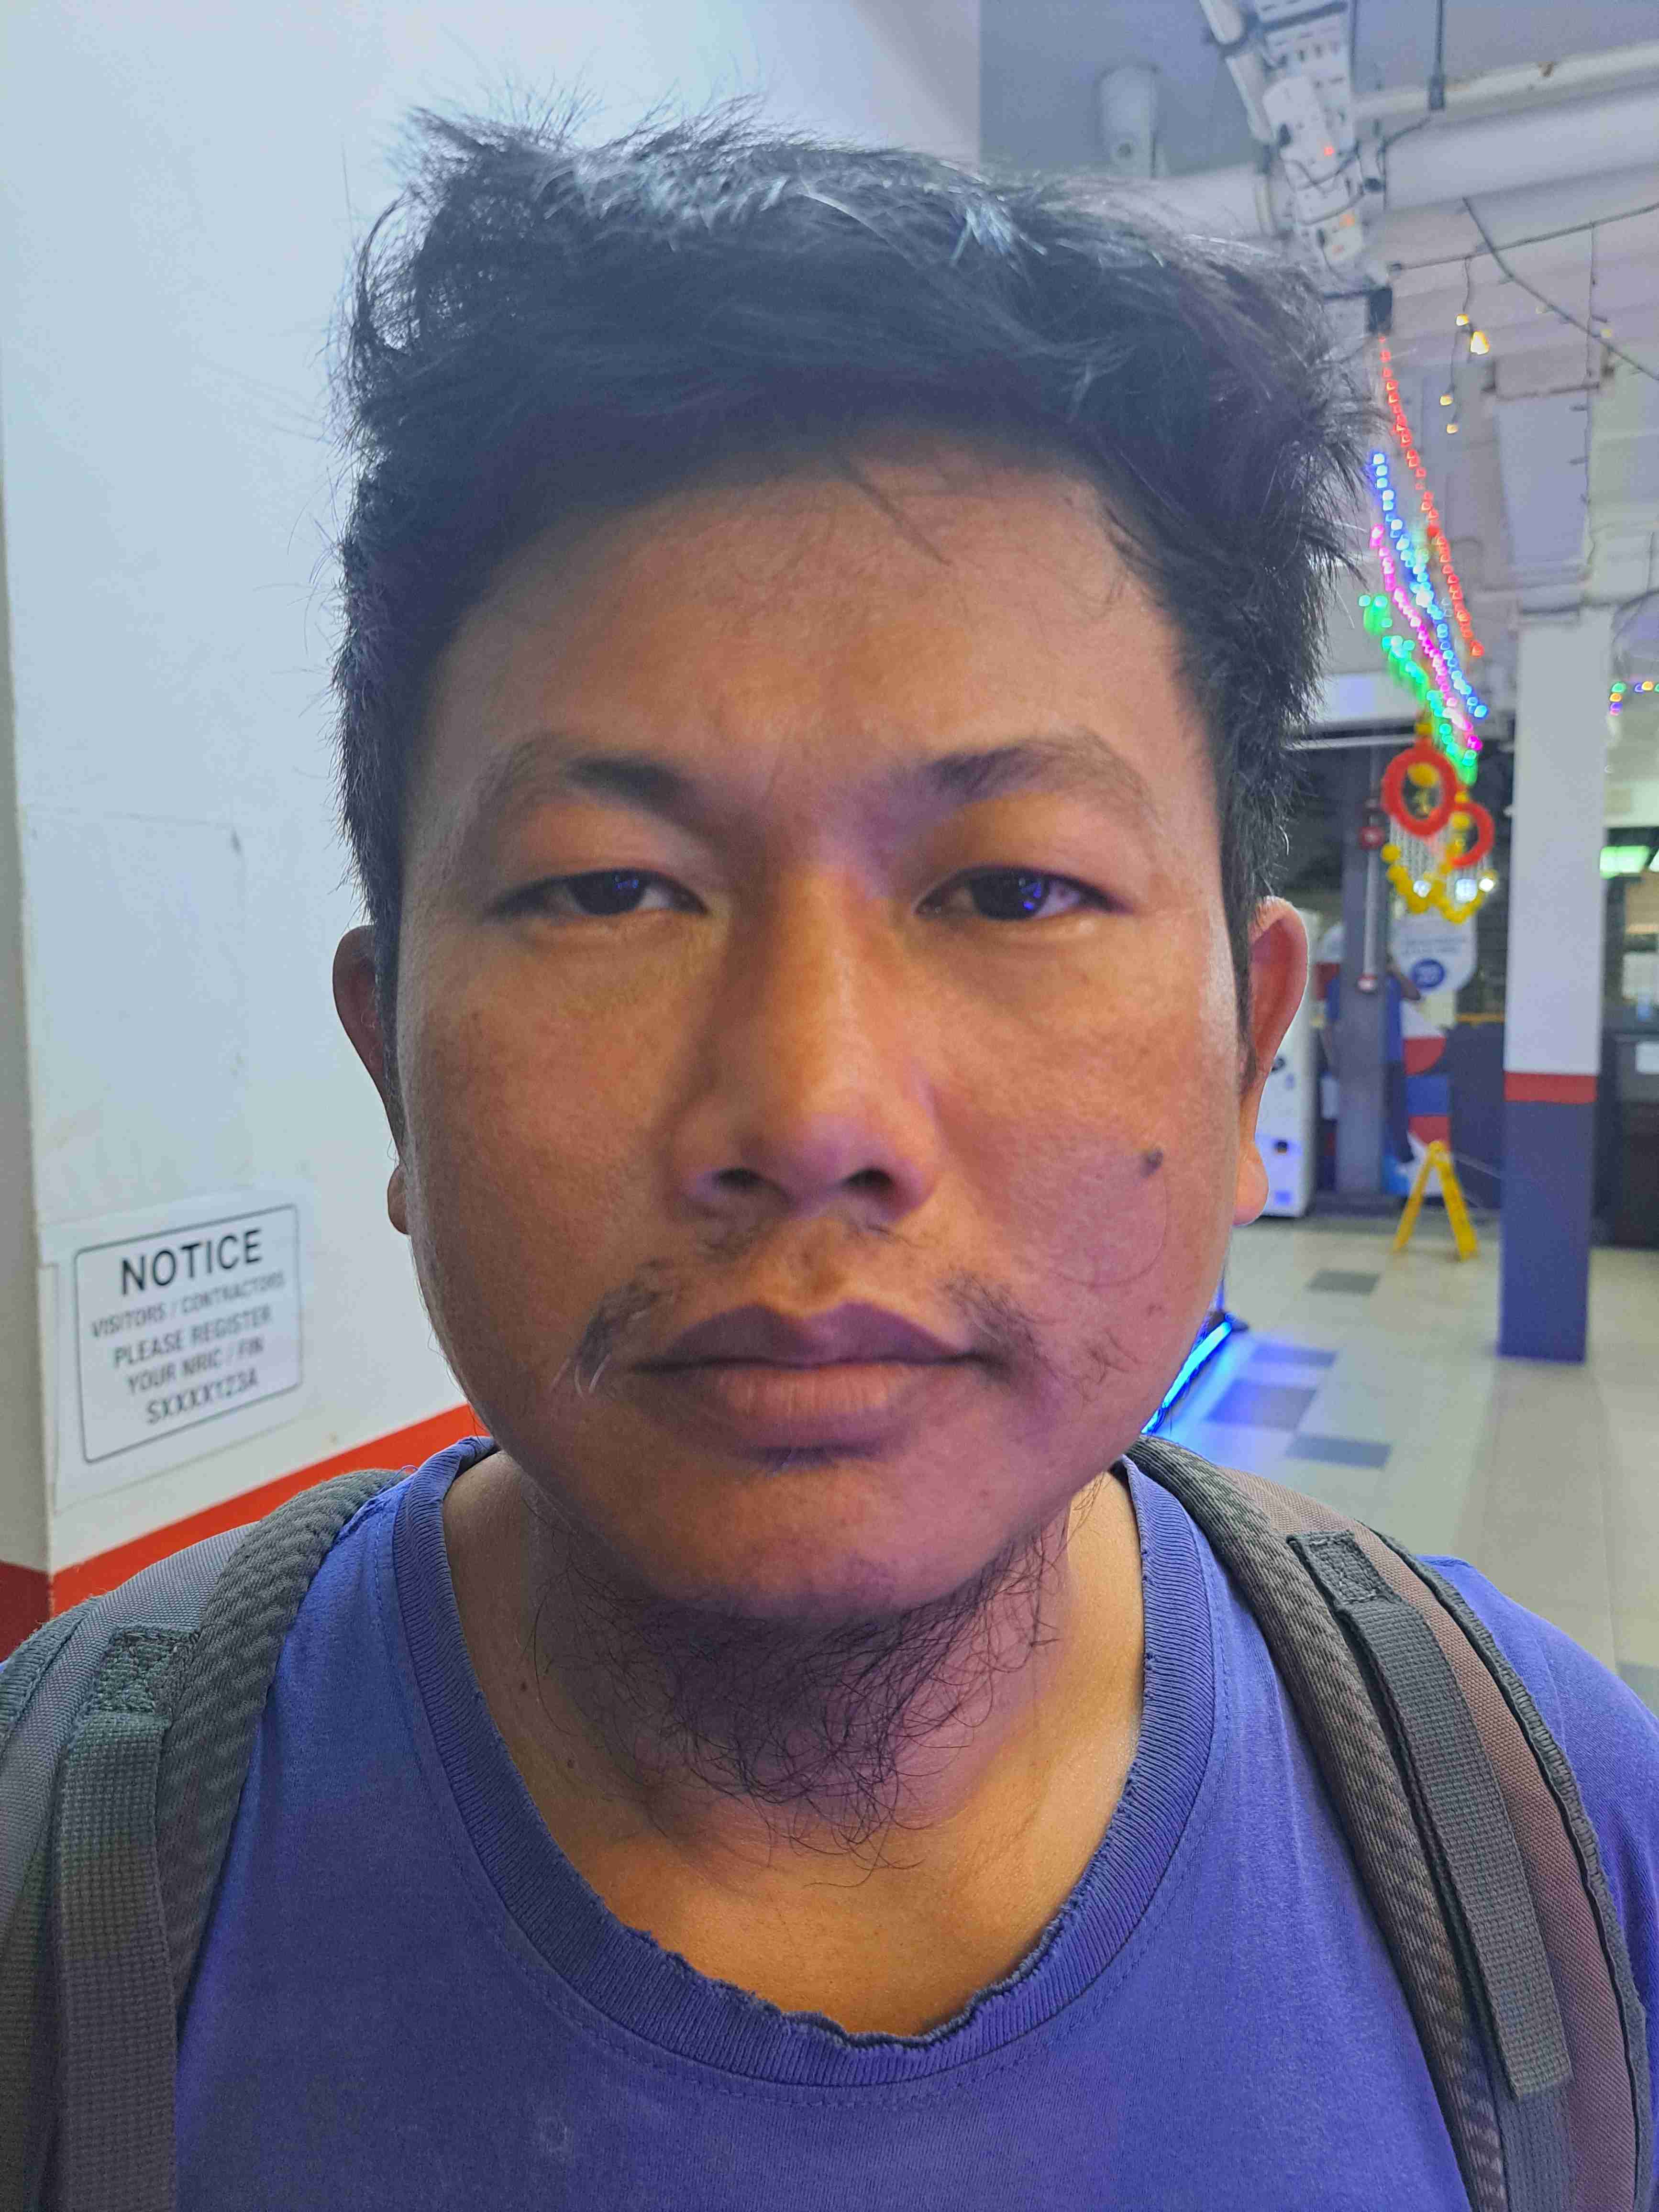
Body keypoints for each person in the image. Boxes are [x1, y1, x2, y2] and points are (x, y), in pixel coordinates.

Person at [31, 109, 1659, 2207]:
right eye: (608, 889)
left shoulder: (1553, 1845)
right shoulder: (61, 1880)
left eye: (1014, 890)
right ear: (388, 1065)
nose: (813, 1116)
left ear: (1251, 1046)